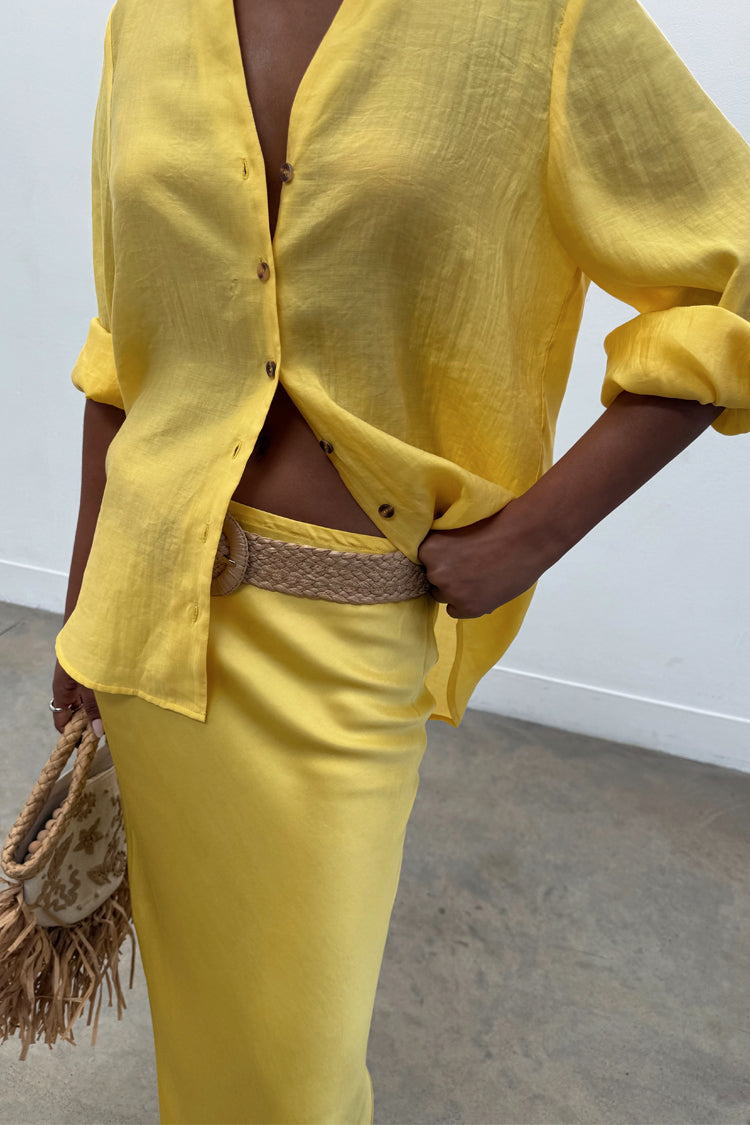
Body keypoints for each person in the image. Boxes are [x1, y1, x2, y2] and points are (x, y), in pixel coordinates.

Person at [50, 0, 750, 1121]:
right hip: (145, 613)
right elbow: (123, 349)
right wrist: (85, 602)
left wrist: (533, 535)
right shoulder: (148, 19)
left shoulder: (539, 19)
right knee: (207, 1042)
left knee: (296, 1083)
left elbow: (732, 268)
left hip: (342, 640)